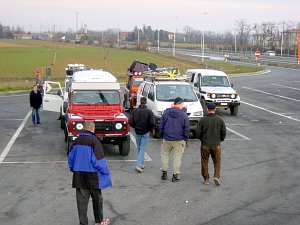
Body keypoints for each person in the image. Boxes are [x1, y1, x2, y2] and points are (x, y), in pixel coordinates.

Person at [68, 120, 112, 225]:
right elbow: (99, 162)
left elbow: (70, 159)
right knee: (97, 200)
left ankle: (83, 223)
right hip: (93, 177)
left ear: (84, 128)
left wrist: (74, 169)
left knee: (81, 203)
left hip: (79, 176)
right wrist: (105, 171)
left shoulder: (76, 141)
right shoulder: (95, 141)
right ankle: (99, 221)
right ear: (93, 128)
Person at [195, 102, 226, 186]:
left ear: (207, 109)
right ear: (215, 109)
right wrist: (220, 140)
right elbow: (223, 132)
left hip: (205, 144)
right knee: (217, 161)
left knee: (204, 161)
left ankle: (206, 179)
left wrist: (201, 139)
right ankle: (216, 176)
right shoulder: (220, 120)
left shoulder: (203, 120)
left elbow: (197, 132)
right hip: (216, 144)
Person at [159, 97, 189, 182]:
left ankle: (164, 173)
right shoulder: (184, 115)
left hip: (167, 138)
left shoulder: (166, 113)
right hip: (179, 139)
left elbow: (161, 125)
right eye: (182, 104)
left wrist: (162, 135)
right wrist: (185, 138)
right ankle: (175, 175)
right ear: (180, 104)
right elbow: (186, 129)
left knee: (164, 155)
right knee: (177, 157)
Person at [129, 97, 155, 173]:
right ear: (146, 102)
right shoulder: (149, 112)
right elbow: (152, 123)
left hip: (137, 131)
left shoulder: (135, 111)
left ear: (140, 102)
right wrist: (149, 128)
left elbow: (130, 121)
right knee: (142, 148)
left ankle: (141, 163)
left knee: (139, 148)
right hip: (145, 132)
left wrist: (135, 126)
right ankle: (138, 164)